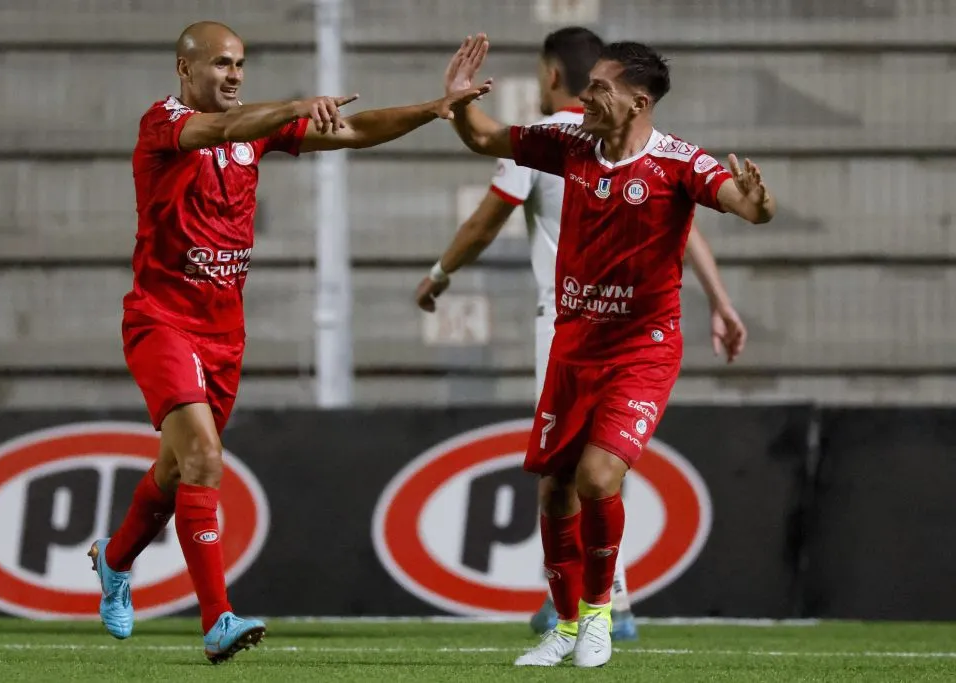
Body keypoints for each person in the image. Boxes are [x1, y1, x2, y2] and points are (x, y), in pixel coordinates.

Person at [87, 21, 491, 664]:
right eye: (220, 63)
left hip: (223, 334)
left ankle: (113, 560)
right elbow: (219, 130)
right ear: (184, 70)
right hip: (160, 320)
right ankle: (217, 620)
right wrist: (297, 105)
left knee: (177, 469)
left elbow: (354, 130)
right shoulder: (161, 124)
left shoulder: (255, 127)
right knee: (206, 459)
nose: (234, 75)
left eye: (240, 64)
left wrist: (433, 109)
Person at [442, 34, 774, 668]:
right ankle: (564, 626)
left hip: (641, 349)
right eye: (588, 82)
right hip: (574, 346)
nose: (586, 96)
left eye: (600, 88)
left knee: (598, 478)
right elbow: (487, 139)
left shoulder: (678, 162)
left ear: (637, 101)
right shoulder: (568, 145)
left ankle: (599, 616)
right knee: (554, 491)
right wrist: (457, 104)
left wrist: (757, 198)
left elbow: (747, 207)